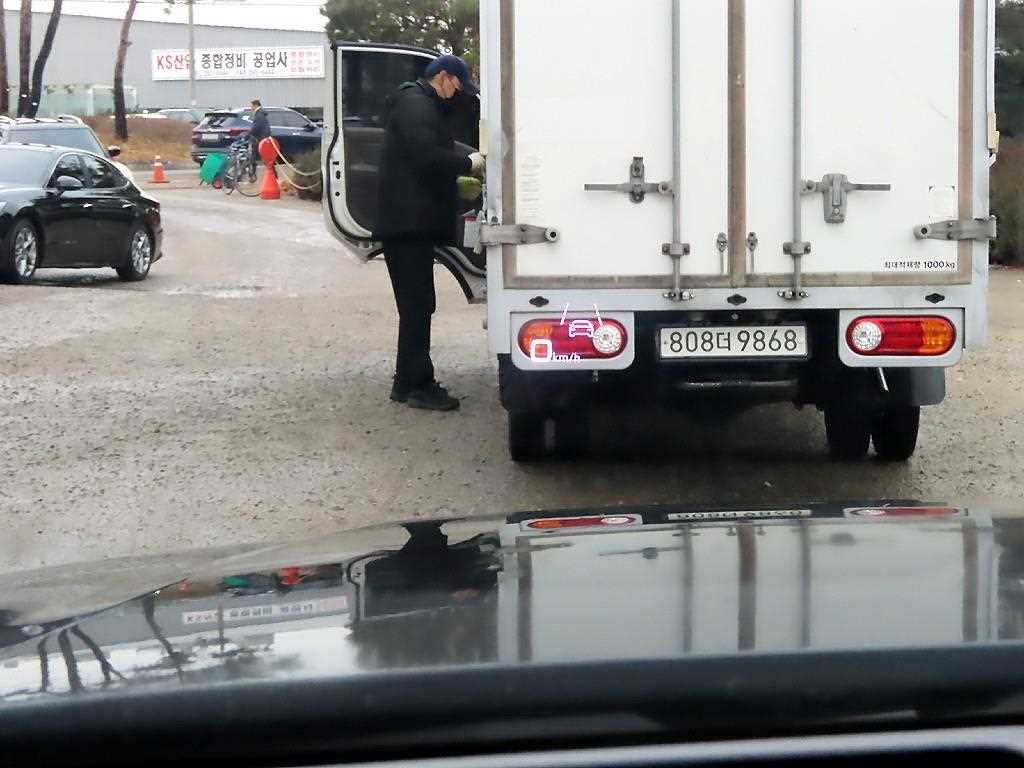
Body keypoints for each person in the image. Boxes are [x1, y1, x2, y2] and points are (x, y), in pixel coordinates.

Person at [374, 54, 485, 412]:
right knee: (417, 305)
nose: (458, 95)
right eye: (458, 87)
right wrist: (467, 164)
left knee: (417, 305)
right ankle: (419, 386)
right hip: (407, 225)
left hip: (408, 223)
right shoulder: (415, 105)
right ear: (443, 77)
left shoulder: (418, 104)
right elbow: (426, 155)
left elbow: (431, 151)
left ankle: (405, 382)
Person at [248, 99, 271, 179]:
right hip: (262, 138)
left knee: (264, 158)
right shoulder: (260, 113)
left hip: (260, 139)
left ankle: (273, 175)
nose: (251, 107)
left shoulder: (259, 114)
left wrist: (248, 134)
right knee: (255, 157)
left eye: (251, 106)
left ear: (256, 105)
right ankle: (252, 174)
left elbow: (256, 127)